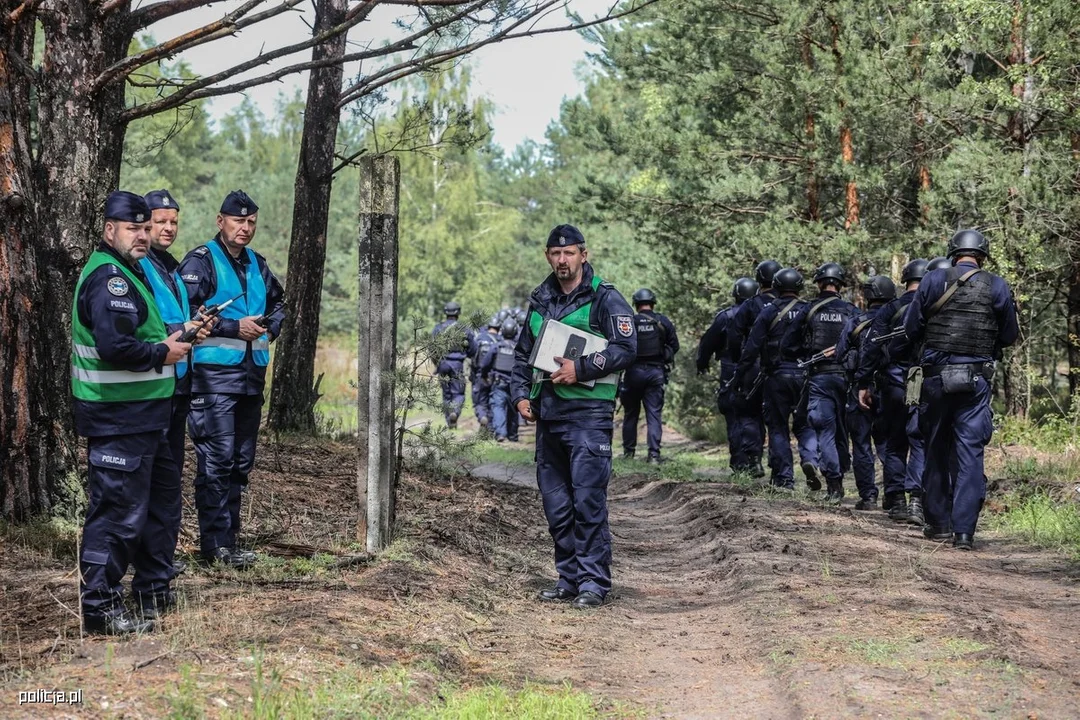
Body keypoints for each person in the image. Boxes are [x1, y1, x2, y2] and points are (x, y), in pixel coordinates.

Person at [72, 191, 192, 634]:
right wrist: (163, 352)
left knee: (158, 508)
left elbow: (139, 332)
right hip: (117, 416)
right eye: (133, 228)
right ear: (110, 230)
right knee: (117, 514)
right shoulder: (110, 278)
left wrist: (172, 339)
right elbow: (115, 347)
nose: (142, 236)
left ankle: (152, 593)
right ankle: (101, 612)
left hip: (147, 415)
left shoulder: (133, 271)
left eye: (146, 228)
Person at [510, 224, 637, 609]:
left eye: (569, 253)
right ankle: (568, 579)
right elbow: (521, 355)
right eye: (555, 254)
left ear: (584, 254)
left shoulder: (606, 298)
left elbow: (627, 348)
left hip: (589, 417)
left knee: (587, 503)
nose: (562, 260)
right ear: (547, 256)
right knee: (557, 506)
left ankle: (593, 584)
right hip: (549, 416)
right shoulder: (541, 299)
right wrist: (519, 396)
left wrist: (580, 369)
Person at [178, 190, 286, 568]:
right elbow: (183, 311)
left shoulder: (258, 263)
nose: (245, 228)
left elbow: (279, 303)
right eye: (238, 221)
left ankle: (230, 541)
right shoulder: (201, 261)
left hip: (250, 378)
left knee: (240, 462)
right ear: (220, 221)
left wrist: (269, 329)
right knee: (217, 460)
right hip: (212, 379)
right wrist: (230, 326)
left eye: (251, 222)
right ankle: (215, 546)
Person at [904, 230, 1018, 550]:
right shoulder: (997, 285)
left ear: (953, 252)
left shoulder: (931, 280)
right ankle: (964, 533)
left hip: (936, 379)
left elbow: (911, 327)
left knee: (936, 448)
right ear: (982, 255)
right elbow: (1009, 335)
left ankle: (938, 524)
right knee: (970, 454)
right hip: (975, 381)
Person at [137, 189, 214, 611]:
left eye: (173, 223)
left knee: (168, 481)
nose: (167, 229)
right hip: (152, 386)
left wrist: (197, 327)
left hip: (178, 382)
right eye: (159, 222)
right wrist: (185, 328)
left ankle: (158, 561)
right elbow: (148, 324)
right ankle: (149, 565)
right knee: (152, 482)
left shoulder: (170, 265)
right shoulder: (139, 265)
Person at [857, 259, 929, 522]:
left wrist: (863, 383)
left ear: (905, 279)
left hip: (893, 383)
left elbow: (872, 348)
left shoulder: (890, 309)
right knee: (919, 440)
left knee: (895, 443)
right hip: (924, 383)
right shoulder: (933, 305)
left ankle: (897, 499)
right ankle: (917, 501)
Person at [737, 268, 818, 491]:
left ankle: (784, 479)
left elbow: (752, 346)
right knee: (805, 424)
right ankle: (810, 459)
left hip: (777, 375)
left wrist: (741, 374)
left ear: (776, 286)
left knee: (778, 427)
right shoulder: (808, 310)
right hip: (805, 374)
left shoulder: (768, 311)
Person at [784, 262, 858, 502]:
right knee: (842, 429)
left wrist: (801, 355)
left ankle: (834, 485)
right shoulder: (851, 310)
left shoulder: (810, 309)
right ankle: (844, 472)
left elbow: (788, 343)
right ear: (840, 285)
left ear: (818, 283)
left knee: (825, 430)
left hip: (820, 377)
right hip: (846, 378)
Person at [839, 275, 896, 510]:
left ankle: (869, 496)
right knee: (890, 444)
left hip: (860, 389)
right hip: (889, 388)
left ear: (867, 296)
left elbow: (842, 353)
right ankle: (894, 496)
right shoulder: (898, 321)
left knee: (861, 444)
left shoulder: (855, 322)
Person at [696, 277, 759, 473]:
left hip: (731, 366)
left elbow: (708, 341)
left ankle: (740, 462)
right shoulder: (764, 312)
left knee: (733, 413)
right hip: (758, 366)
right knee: (757, 414)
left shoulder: (726, 316)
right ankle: (756, 460)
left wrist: (702, 363)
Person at [731, 260, 782, 472]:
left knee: (750, 414)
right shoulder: (791, 305)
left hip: (753, 365)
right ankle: (778, 464)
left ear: (759, 279)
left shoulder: (750, 305)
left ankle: (754, 460)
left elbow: (735, 335)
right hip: (780, 366)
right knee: (777, 418)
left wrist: (739, 363)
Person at [620, 288, 679, 462]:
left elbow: (621, 346)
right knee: (653, 415)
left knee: (630, 413)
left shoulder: (630, 322)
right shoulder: (662, 321)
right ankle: (653, 455)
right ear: (653, 303)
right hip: (655, 373)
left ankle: (628, 454)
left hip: (633, 373)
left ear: (636, 305)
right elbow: (674, 346)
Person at [432, 301, 472, 428]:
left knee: (446, 394)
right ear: (458, 313)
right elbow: (473, 348)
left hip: (443, 364)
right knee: (458, 393)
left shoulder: (438, 328)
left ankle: (449, 421)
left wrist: (437, 364)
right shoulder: (464, 329)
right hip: (458, 365)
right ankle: (454, 412)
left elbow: (432, 350)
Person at [482, 318, 522, 442]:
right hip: (514, 384)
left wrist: (484, 376)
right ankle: (513, 435)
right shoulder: (518, 349)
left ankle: (500, 433)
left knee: (498, 407)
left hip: (499, 383)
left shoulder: (496, 346)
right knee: (514, 409)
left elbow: (485, 363)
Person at [471, 316, 501, 427]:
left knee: (480, 401)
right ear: (499, 327)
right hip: (496, 376)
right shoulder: (501, 340)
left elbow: (473, 357)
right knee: (493, 402)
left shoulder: (479, 338)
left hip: (480, 374)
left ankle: (482, 416)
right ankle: (490, 428)